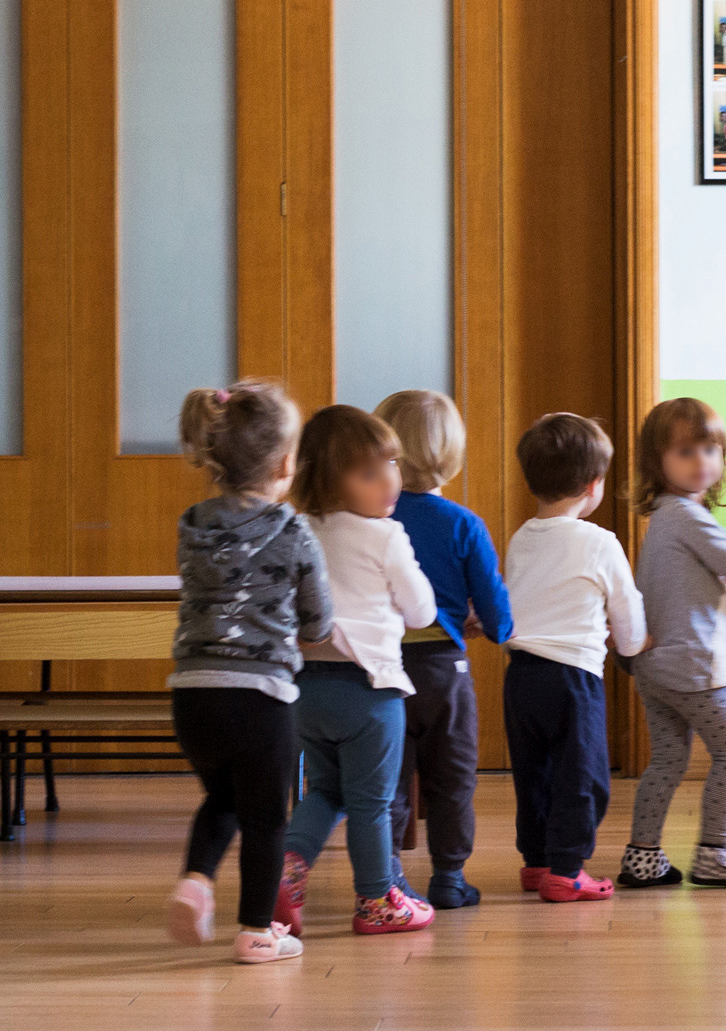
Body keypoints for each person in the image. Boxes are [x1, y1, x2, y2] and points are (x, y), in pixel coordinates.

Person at [164, 382, 331, 965]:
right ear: (286, 463)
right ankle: (257, 931)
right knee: (266, 818)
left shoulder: (192, 524)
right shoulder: (292, 530)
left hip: (192, 694)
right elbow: (317, 618)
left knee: (223, 799)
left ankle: (196, 880)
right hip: (261, 696)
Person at [276, 406, 440, 937]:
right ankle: (376, 900)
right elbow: (421, 613)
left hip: (306, 690)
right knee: (373, 802)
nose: (390, 479)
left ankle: (286, 867)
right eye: (370, 472)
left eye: (391, 464)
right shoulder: (385, 536)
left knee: (325, 791)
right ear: (329, 480)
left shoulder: (295, 528)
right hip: (370, 691)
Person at [617, 397, 726, 890]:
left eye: (711, 449)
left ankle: (642, 856)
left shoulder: (665, 519)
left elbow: (680, 592)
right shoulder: (689, 518)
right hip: (693, 669)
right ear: (658, 463)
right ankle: (715, 854)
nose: (702, 461)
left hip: (655, 666)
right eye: (686, 451)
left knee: (668, 759)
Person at [374, 390, 512, 910]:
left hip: (381, 669)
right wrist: (493, 627)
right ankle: (449, 877)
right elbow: (495, 607)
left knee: (388, 781)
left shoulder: (373, 522)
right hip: (443, 672)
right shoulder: (463, 524)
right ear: (452, 455)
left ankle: (387, 878)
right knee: (452, 778)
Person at [504, 413, 648, 903]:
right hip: (573, 678)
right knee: (582, 776)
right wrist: (633, 646)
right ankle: (567, 870)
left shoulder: (521, 538)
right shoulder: (600, 543)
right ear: (593, 486)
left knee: (534, 771)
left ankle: (538, 859)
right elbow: (625, 607)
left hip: (521, 675)